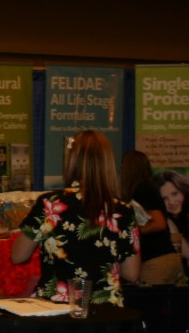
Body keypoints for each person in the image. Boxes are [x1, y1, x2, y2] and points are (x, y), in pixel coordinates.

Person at [11, 130, 139, 306]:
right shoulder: (124, 210)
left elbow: (18, 256)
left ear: (71, 161)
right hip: (106, 310)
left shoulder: (49, 204)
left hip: (56, 308)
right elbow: (132, 274)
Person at [121, 150, 183, 285]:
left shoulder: (143, 190)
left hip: (155, 260)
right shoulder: (148, 188)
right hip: (165, 258)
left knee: (145, 298)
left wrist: (133, 233)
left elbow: (159, 223)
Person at [157, 169, 189, 284]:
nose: (171, 201)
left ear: (184, 191)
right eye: (164, 198)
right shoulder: (168, 224)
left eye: (175, 194)